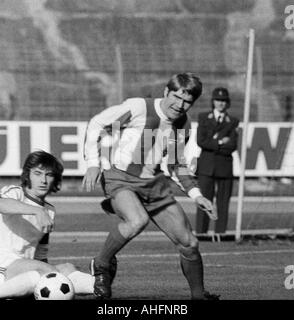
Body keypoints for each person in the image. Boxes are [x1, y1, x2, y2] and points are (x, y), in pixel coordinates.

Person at [82, 72, 218, 300]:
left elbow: (175, 164)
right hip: (120, 177)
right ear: (166, 91)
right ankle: (101, 264)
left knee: (189, 243)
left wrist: (197, 195)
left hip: (153, 184)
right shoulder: (139, 107)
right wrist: (93, 164)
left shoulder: (183, 124)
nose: (180, 104)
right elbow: (98, 123)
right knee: (137, 220)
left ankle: (198, 295)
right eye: (176, 97)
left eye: (187, 101)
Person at [0, 150, 96, 300]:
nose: (43, 180)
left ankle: (100, 286)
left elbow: (41, 256)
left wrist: (41, 212)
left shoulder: (49, 211)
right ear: (27, 175)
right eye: (37, 173)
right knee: (45, 272)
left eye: (49, 175)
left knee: (68, 268)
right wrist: (37, 211)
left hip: (26, 273)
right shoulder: (15, 193)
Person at [195, 87, 239, 237]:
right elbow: (201, 141)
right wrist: (220, 142)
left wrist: (213, 142)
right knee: (204, 202)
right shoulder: (203, 117)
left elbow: (232, 145)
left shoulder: (232, 121)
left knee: (223, 203)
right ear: (213, 101)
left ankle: (221, 233)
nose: (220, 103)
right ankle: (201, 232)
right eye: (218, 100)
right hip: (206, 167)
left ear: (227, 103)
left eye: (224, 101)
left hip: (224, 167)